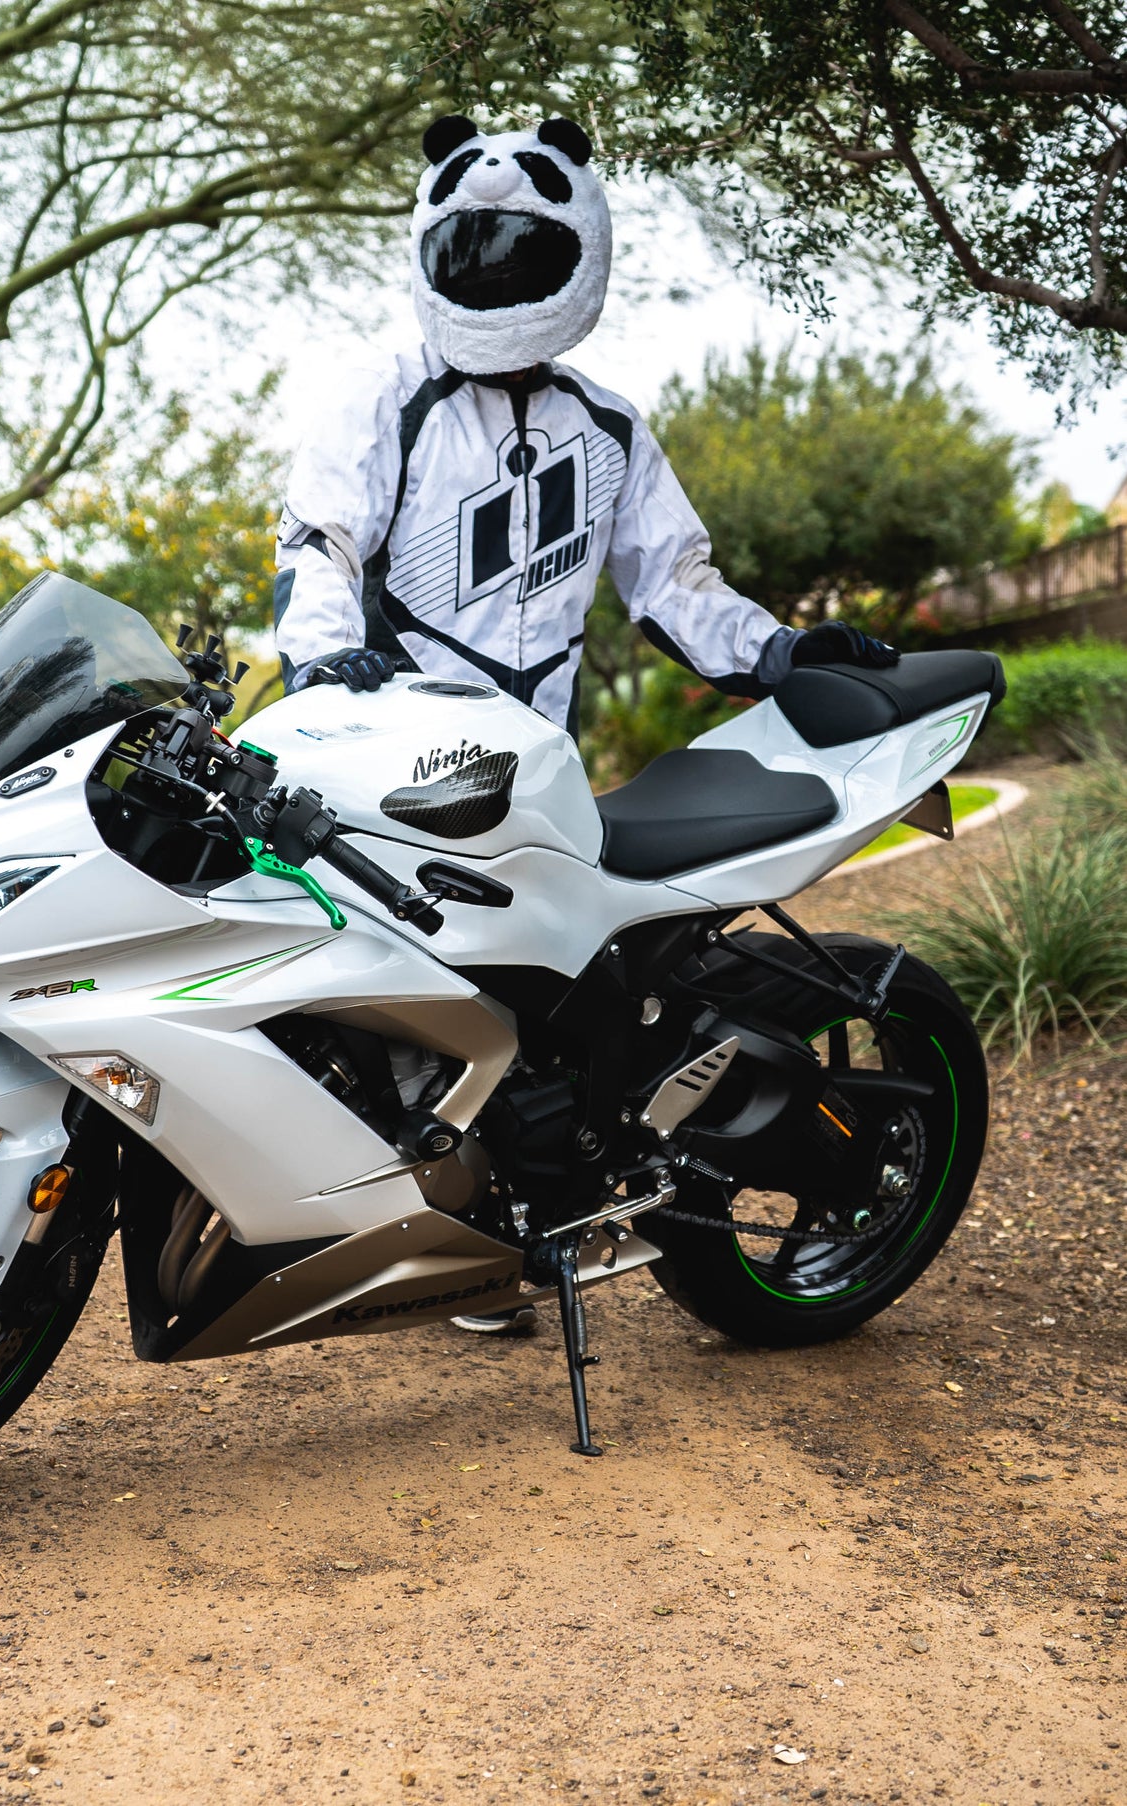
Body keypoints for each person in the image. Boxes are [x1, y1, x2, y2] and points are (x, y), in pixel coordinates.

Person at [272, 114, 897, 1333]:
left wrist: (775, 647)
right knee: (389, 994)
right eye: (477, 239)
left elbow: (674, 584)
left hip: (532, 765)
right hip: (384, 746)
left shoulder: (606, 426)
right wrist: (319, 661)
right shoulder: (384, 400)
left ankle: (524, 1226)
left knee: (534, 1003)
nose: (498, 260)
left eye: (525, 240)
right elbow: (319, 543)